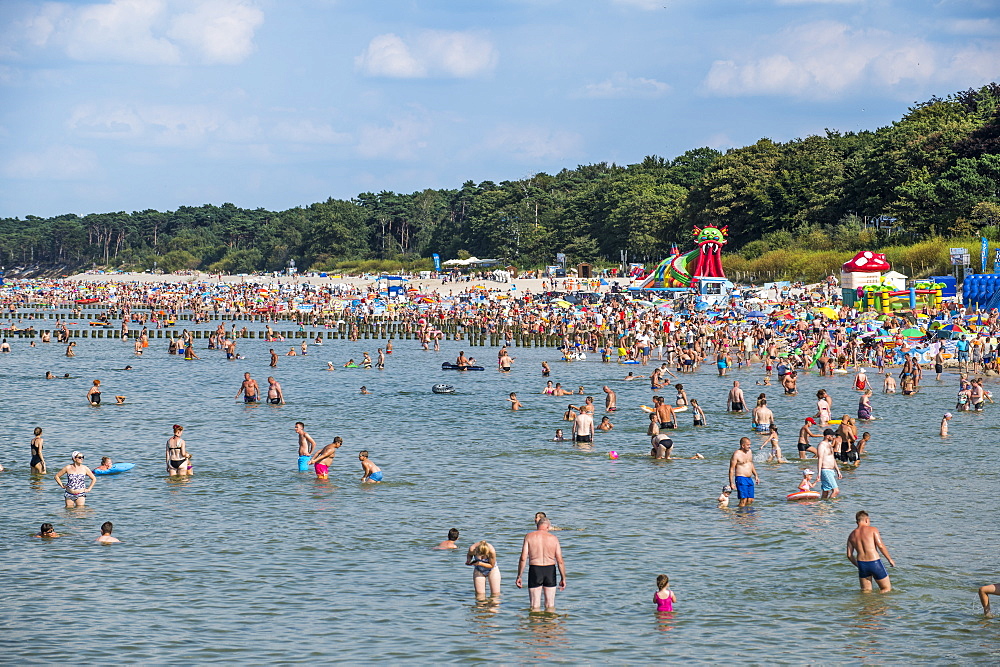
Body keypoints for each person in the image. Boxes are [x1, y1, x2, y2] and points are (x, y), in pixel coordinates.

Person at [515, 517, 566, 611]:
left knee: (534, 605)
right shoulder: (553, 538)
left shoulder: (529, 536)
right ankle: (550, 624)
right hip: (550, 570)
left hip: (535, 569)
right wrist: (563, 578)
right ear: (548, 526)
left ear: (537, 526)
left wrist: (519, 576)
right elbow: (560, 560)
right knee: (550, 605)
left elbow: (523, 558)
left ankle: (535, 624)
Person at [847, 510, 895, 593]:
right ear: (866, 520)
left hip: (862, 564)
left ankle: (868, 605)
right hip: (874, 562)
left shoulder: (851, 535)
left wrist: (858, 565)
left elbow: (849, 555)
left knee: (866, 592)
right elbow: (880, 546)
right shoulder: (873, 530)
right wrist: (889, 559)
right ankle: (881, 606)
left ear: (857, 522)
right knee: (886, 589)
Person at [728, 437, 759, 507]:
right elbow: (731, 469)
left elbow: (751, 464)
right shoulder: (736, 454)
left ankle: (747, 515)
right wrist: (731, 483)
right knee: (743, 500)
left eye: (750, 444)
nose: (750, 446)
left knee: (750, 500)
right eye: (748, 445)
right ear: (743, 445)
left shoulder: (749, 452)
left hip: (749, 478)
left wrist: (756, 475)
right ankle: (740, 515)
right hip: (741, 478)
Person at [815, 429, 842, 498]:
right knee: (836, 491)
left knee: (826, 491)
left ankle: (823, 506)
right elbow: (820, 459)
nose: (833, 437)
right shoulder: (822, 445)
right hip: (825, 470)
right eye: (831, 436)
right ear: (827, 436)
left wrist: (838, 471)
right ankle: (830, 507)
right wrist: (819, 473)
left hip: (831, 470)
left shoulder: (829, 444)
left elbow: (832, 458)